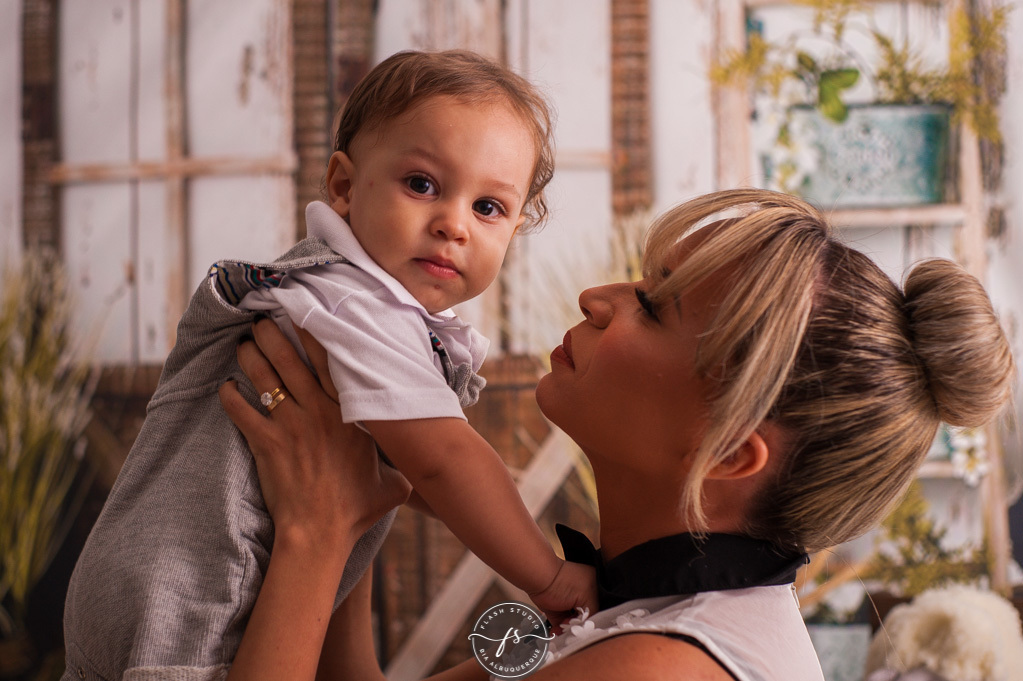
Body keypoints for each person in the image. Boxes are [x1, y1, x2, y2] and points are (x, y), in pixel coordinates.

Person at [219, 188, 1014, 680]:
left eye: (653, 305)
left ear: (732, 450)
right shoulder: (639, 608)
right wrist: (359, 474)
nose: (598, 296)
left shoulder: (658, 668)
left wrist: (315, 530)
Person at [61, 50, 596, 681]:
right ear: (343, 186)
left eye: (489, 208)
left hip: (137, 590)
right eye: (422, 185)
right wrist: (551, 575)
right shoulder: (356, 305)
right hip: (187, 609)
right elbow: (445, 459)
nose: (454, 224)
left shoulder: (329, 291)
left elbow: (407, 471)